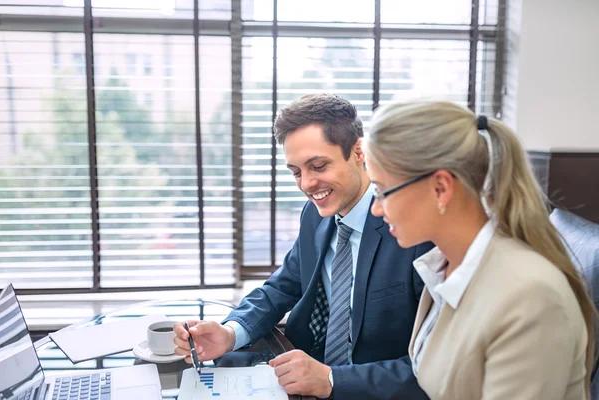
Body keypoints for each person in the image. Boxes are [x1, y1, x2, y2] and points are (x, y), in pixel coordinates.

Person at [173, 93, 433, 399]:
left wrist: (333, 380)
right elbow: (281, 287)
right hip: (297, 378)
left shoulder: (412, 230)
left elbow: (432, 366)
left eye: (318, 166)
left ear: (359, 151)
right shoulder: (316, 215)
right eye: (296, 172)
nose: (306, 184)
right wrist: (230, 334)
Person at [363, 100, 595, 400]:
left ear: (441, 188)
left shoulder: (529, 296)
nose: (376, 209)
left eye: (382, 191)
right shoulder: (445, 266)